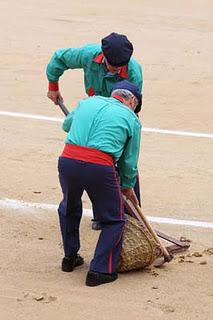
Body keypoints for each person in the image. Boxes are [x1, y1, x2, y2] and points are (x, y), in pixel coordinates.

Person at [46, 32, 143, 228]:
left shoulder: (134, 72)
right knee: (94, 159)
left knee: (124, 160)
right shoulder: (88, 54)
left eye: (119, 68)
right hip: (92, 109)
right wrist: (53, 86)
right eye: (111, 66)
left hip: (117, 116)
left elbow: (131, 108)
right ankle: (102, 215)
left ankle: (131, 213)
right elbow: (59, 58)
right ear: (103, 56)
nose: (116, 71)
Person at [57, 80, 142, 286]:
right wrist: (127, 185)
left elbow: (66, 125)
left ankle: (70, 258)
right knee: (114, 219)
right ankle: (100, 271)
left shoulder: (88, 102)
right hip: (100, 167)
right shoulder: (131, 119)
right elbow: (129, 162)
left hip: (67, 160)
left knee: (69, 207)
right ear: (132, 101)